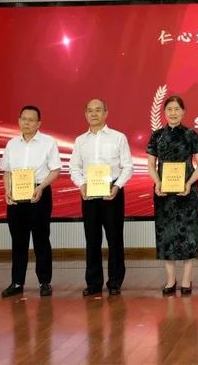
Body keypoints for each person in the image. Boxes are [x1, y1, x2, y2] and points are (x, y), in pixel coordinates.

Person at [69, 98, 133, 296]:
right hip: (89, 193)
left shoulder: (118, 137)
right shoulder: (80, 141)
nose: (94, 114)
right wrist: (81, 184)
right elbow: (74, 167)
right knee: (92, 239)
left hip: (112, 192)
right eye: (90, 110)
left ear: (106, 113)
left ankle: (115, 282)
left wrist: (117, 186)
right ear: (85, 114)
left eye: (98, 110)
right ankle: (93, 282)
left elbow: (127, 166)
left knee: (115, 238)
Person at [147, 95, 198, 296]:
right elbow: (151, 164)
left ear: (183, 112)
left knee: (189, 235)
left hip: (187, 192)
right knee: (166, 235)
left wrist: (189, 183)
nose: (173, 113)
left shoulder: (191, 134)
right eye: (169, 109)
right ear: (164, 112)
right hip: (163, 192)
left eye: (177, 109)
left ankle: (187, 279)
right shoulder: (156, 136)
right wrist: (158, 182)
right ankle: (171, 279)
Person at [0, 105, 61, 298]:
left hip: (39, 193)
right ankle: (17, 282)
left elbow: (55, 170)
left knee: (41, 239)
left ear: (38, 123)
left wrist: (40, 187)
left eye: (31, 120)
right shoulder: (12, 144)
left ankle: (44, 282)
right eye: (23, 119)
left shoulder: (48, 142)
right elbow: (7, 170)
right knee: (18, 240)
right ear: (19, 121)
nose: (26, 122)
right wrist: (7, 190)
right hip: (16, 194)